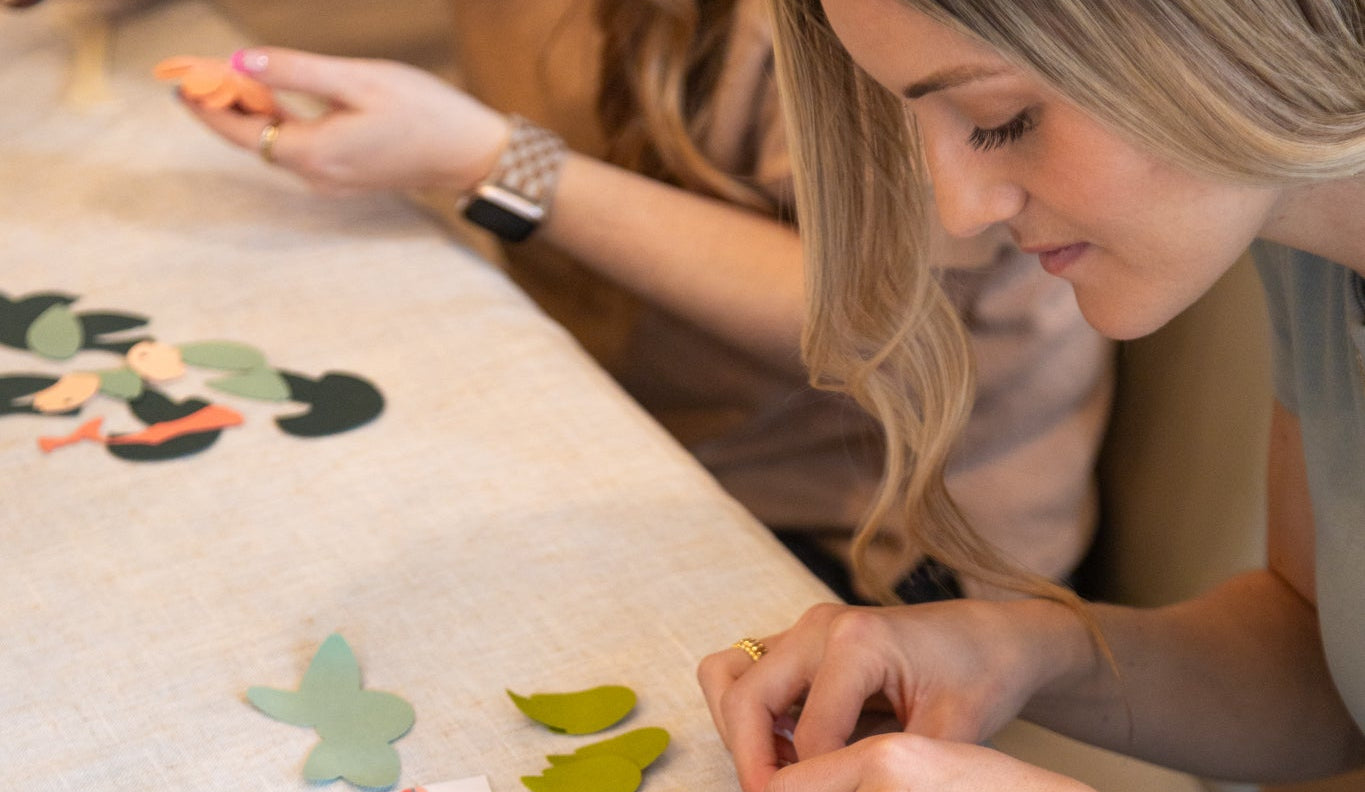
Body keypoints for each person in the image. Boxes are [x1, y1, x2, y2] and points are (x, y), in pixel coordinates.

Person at [699, 0, 1365, 792]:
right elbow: (1324, 670)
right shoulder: (1309, 233)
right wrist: (1026, 652)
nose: (959, 209)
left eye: (1003, 119)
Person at [167, 0, 1111, 604]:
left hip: (866, 526)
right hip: (619, 419)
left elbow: (889, 325)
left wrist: (495, 164)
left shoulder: (867, 30)